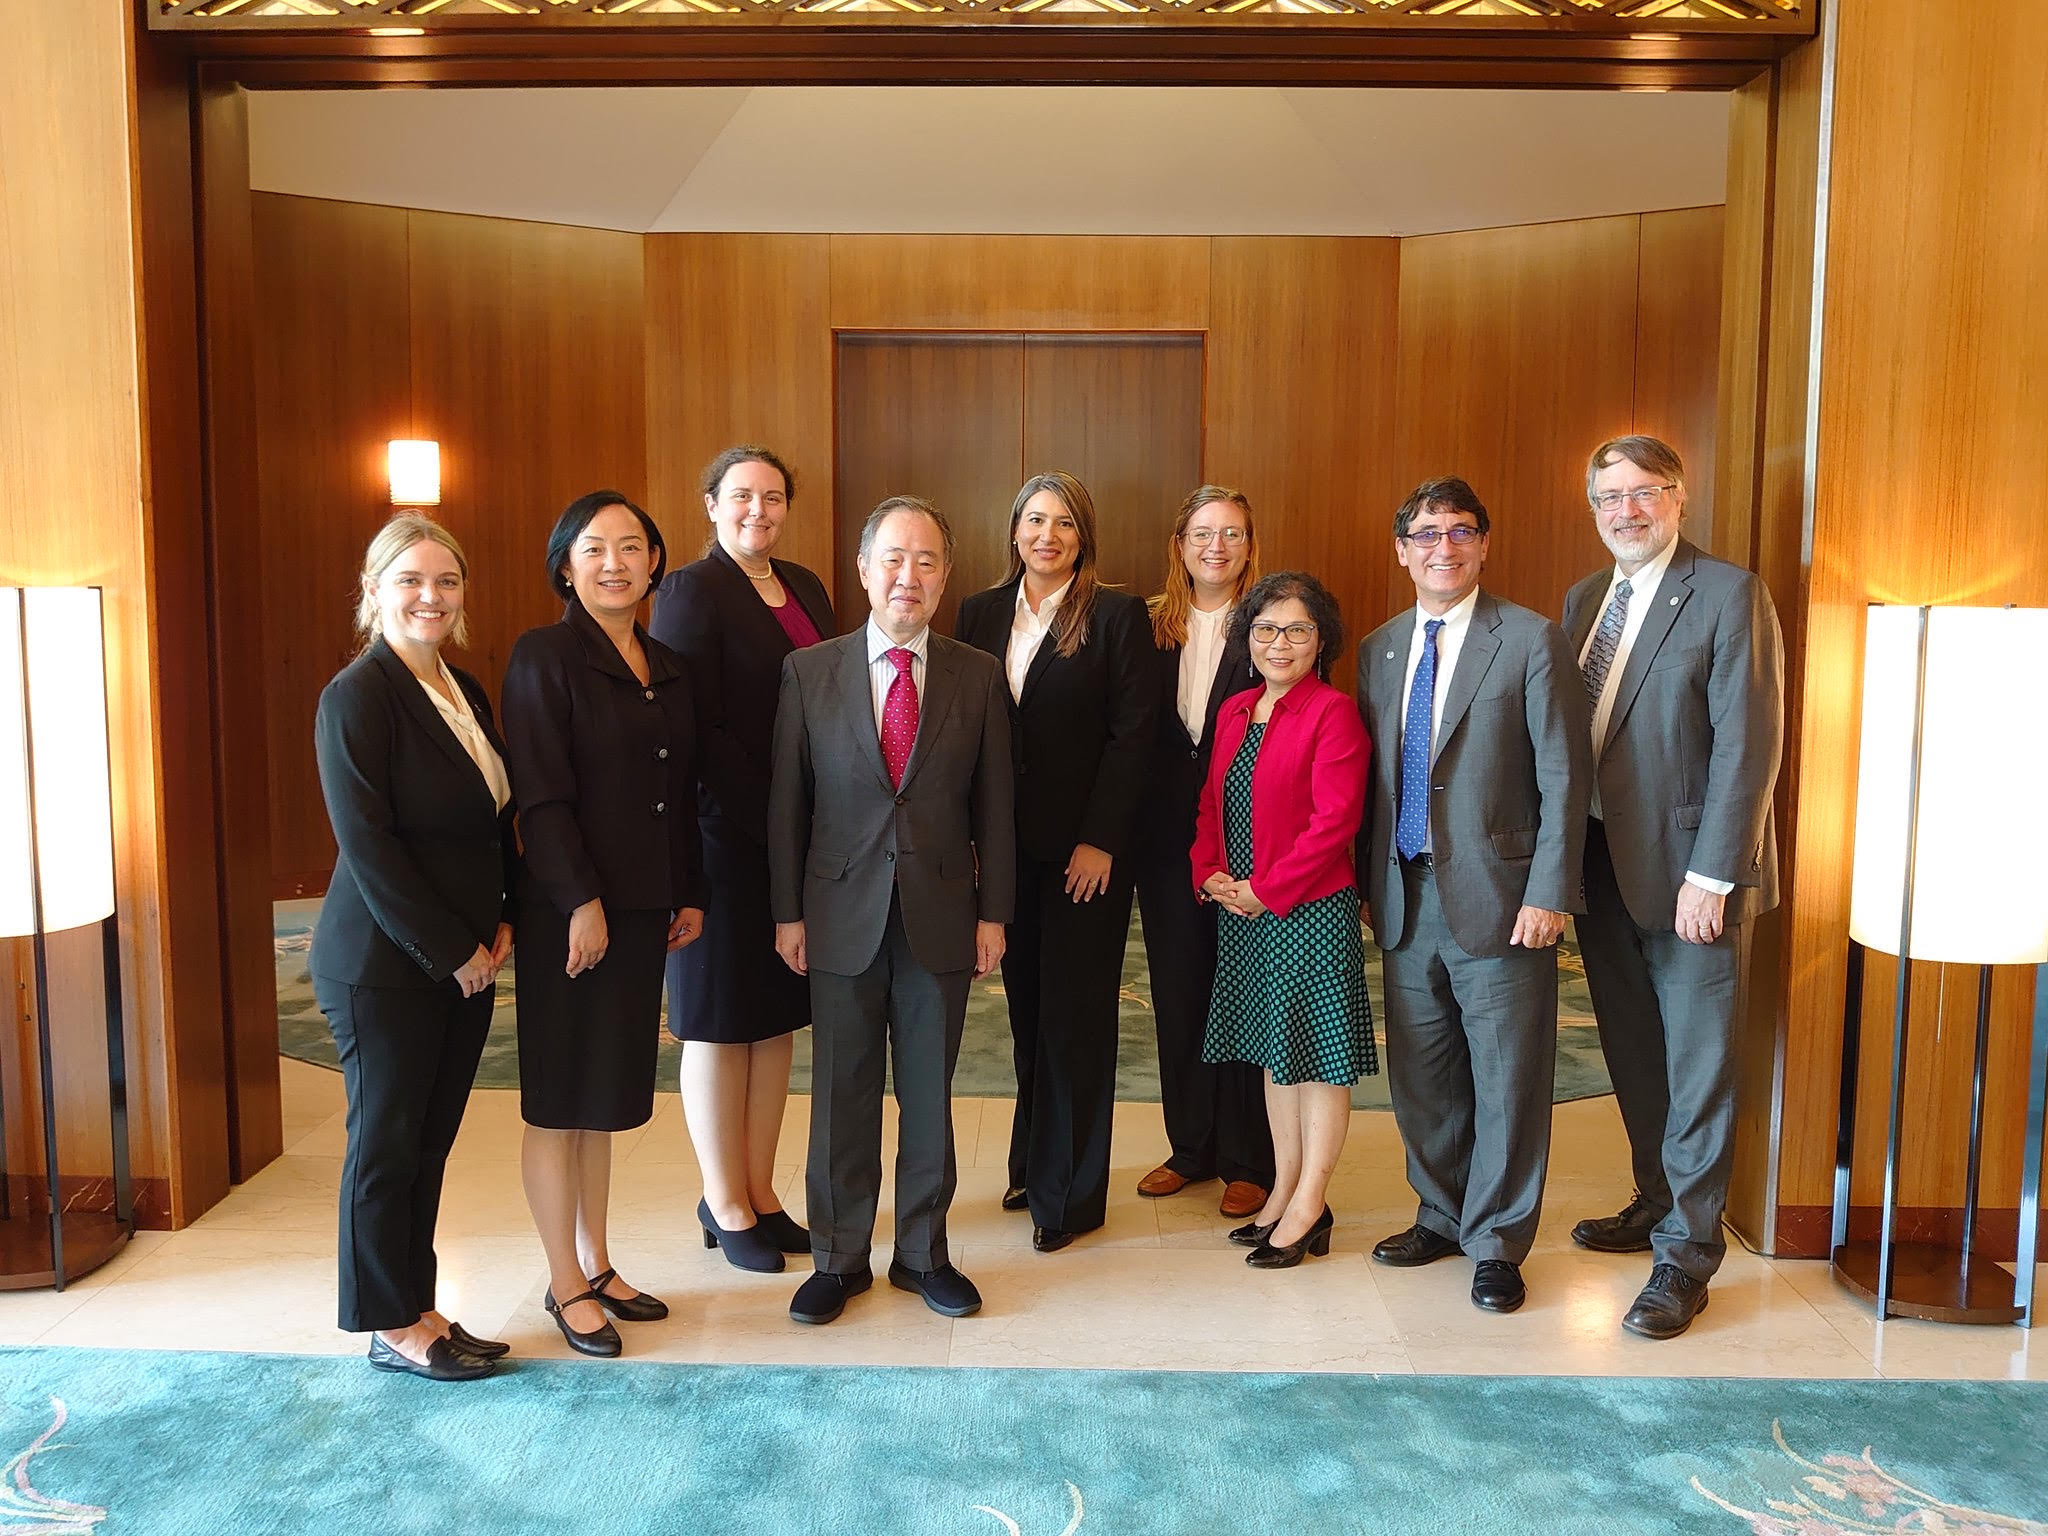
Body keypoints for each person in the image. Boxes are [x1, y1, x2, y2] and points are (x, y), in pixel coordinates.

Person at [767, 495, 1014, 1325]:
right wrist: (786, 913)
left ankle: (921, 1253)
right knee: (841, 1091)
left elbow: (997, 808)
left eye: (928, 561)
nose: (910, 576)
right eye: (894, 559)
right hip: (836, 914)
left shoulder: (978, 674)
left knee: (928, 1094)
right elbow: (786, 806)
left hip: (942, 913)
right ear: (866, 570)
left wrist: (995, 914)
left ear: (946, 576)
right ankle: (839, 1258)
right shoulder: (811, 671)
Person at [1563, 435, 1785, 1340]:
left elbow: (1749, 743)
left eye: (1643, 493)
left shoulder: (1729, 593)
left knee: (1697, 1067)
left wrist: (1715, 873)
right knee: (1634, 1051)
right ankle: (1656, 1200)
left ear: (1678, 497)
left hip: (1695, 875)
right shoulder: (1586, 598)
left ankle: (1686, 1260)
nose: (1626, 510)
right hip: (1603, 866)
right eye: (1608, 497)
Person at [1355, 476, 1591, 1315]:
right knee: (1423, 1077)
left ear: (1484, 544)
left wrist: (1550, 890)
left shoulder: (1529, 639)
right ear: (1402, 549)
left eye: (1460, 532)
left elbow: (1565, 776)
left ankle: (1497, 1240)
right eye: (1425, 533)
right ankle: (1443, 1212)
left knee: (1507, 1076)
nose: (1442, 548)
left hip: (1504, 898)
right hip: (1404, 896)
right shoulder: (1381, 649)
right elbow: (1374, 783)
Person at [310, 513, 516, 1382]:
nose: (430, 596)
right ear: (373, 592)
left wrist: (505, 919)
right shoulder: (356, 697)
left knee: (427, 1143)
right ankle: (386, 1323)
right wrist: (453, 949)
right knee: (386, 1146)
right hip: (383, 965)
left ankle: (417, 1304)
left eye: (446, 581)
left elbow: (492, 813)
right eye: (411, 581)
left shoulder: (461, 688)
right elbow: (371, 847)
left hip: (463, 956)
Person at [501, 490, 706, 1358]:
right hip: (570, 914)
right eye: (594, 548)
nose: (614, 562)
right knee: (560, 1103)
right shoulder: (542, 657)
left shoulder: (665, 663)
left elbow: (680, 795)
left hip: (643, 909)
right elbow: (540, 796)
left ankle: (598, 1260)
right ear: (566, 564)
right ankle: (562, 1281)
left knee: (603, 1098)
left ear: (656, 561)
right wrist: (578, 902)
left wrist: (686, 890)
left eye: (632, 546)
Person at [956, 472, 1156, 1253]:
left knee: (1076, 1019)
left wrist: (1102, 838)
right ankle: (1031, 1162)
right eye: (1035, 520)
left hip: (1085, 857)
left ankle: (1069, 1195)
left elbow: (1132, 735)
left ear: (1083, 537)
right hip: (1005, 854)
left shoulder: (1115, 614)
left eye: (1064, 524)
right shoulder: (978, 612)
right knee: (1028, 1014)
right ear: (1014, 529)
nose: (1047, 535)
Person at [650, 446, 835, 1275]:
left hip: (797, 836)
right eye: (740, 497)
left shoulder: (805, 585)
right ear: (710, 504)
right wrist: (769, 815)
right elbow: (699, 723)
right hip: (728, 839)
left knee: (772, 1021)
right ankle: (721, 1197)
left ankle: (760, 1191)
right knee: (720, 1024)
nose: (757, 510)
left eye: (772, 496)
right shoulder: (693, 589)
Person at [1192, 572, 1375, 1269]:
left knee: (1318, 1060)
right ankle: (1283, 1189)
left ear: (1320, 641)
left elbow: (1336, 823)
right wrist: (1208, 872)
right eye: (1265, 629)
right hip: (1242, 906)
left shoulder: (1333, 712)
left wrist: (1269, 889)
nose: (1279, 643)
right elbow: (1211, 805)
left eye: (1297, 630)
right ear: (1248, 638)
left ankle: (1311, 1202)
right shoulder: (1237, 709)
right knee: (1277, 1050)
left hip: (1307, 909)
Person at [1133, 486, 1273, 1221]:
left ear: (1250, 545)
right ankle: (1192, 1145)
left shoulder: (1271, 625)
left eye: (1232, 534)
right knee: (1179, 991)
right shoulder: (1147, 624)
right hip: (1165, 844)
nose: (1215, 546)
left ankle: (1249, 1157)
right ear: (1179, 543)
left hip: (1246, 844)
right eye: (1201, 533)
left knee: (1243, 992)